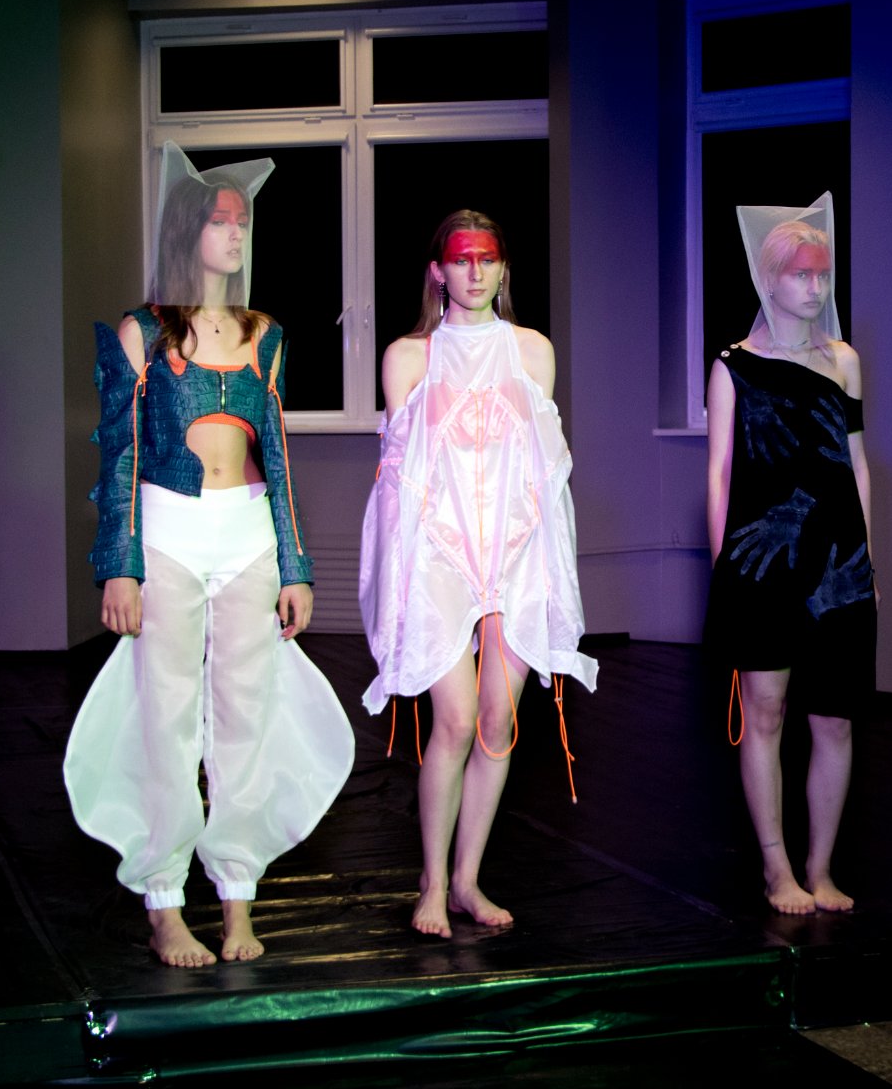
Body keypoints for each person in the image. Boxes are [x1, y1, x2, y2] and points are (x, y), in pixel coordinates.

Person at [67, 143, 353, 967]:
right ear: (186, 230)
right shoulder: (143, 331)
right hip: (167, 533)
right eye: (220, 220)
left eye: (242, 221)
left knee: (246, 715)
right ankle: (164, 900)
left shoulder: (265, 335)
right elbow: (119, 454)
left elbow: (278, 453)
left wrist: (295, 566)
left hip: (248, 534)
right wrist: (118, 564)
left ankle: (236, 893)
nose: (235, 233)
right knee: (164, 715)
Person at [359, 211, 596, 938]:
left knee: (497, 723)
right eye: (461, 259)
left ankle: (466, 880)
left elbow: (545, 471)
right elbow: (401, 480)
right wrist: (402, 578)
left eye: (487, 258)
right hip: (440, 555)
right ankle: (431, 882)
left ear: (503, 268)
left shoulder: (531, 350)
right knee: (456, 720)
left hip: (514, 555)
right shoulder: (410, 356)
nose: (474, 271)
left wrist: (549, 571)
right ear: (438, 270)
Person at [704, 196, 875, 915]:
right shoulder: (734, 366)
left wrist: (868, 560)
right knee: (766, 712)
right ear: (768, 279)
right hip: (762, 564)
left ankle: (821, 867)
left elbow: (858, 464)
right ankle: (778, 868)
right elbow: (719, 472)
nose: (814, 286)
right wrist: (724, 564)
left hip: (838, 565)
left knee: (834, 718)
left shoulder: (843, 361)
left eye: (821, 274)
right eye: (800, 274)